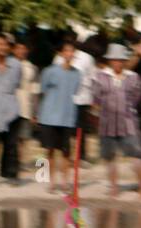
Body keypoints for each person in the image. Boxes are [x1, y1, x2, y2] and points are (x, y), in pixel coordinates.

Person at [92, 43, 141, 196]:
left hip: (128, 122)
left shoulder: (133, 78)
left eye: (120, 60)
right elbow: (96, 98)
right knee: (109, 156)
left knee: (135, 155)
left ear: (124, 61)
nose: (117, 63)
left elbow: (136, 98)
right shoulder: (100, 77)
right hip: (107, 122)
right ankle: (114, 186)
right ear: (109, 61)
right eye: (114, 60)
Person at [35, 41, 82, 191]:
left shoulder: (77, 74)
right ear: (61, 53)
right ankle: (50, 181)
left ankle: (65, 182)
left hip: (67, 116)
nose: (69, 54)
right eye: (66, 51)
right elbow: (42, 91)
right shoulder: (49, 71)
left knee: (66, 151)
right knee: (49, 149)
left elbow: (75, 93)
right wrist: (37, 113)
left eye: (72, 51)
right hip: (49, 115)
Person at [52, 34, 94, 163]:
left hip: (82, 98)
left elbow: (93, 77)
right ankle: (67, 155)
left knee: (81, 129)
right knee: (66, 129)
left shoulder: (87, 58)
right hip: (64, 100)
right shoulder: (58, 58)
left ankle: (81, 157)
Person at [0, 34, 23, 184]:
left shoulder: (16, 64)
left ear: (9, 47)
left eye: (4, 44)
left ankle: (10, 174)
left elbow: (17, 83)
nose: (2, 47)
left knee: (11, 144)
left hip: (11, 110)